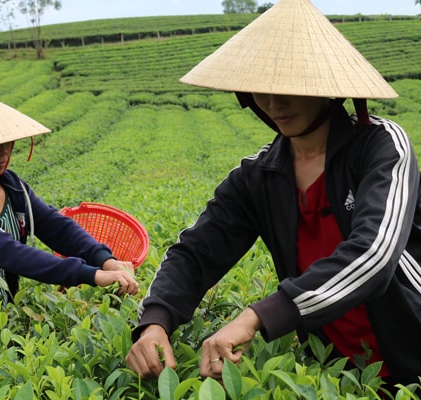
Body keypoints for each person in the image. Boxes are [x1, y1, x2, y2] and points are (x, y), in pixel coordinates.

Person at [126, 0, 421, 387]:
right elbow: (195, 254)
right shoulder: (259, 176)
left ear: (326, 85)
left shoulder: (381, 147)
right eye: (261, 88)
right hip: (339, 376)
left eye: (289, 87)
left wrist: (258, 317)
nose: (273, 103)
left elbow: (374, 254)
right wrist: (154, 323)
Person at [0, 87, 139, 333]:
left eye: (6, 141)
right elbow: (11, 253)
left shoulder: (12, 187)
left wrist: (105, 260)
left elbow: (55, 225)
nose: (4, 151)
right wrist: (91, 275)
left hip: (0, 316)